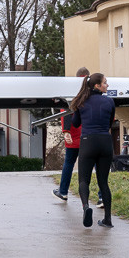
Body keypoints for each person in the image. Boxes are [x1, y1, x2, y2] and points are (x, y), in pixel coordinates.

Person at [70, 72, 116, 228]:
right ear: (97, 85)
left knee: (84, 180)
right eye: (105, 82)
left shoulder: (81, 102)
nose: (107, 85)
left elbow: (75, 123)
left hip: (88, 142)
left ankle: (86, 207)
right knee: (103, 182)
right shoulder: (109, 101)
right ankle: (107, 219)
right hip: (105, 142)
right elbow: (110, 123)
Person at [53, 67, 91, 202]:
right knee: (95, 164)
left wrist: (66, 131)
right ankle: (101, 197)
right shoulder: (91, 90)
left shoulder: (71, 90)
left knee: (69, 163)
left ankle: (63, 191)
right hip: (89, 134)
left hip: (74, 135)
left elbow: (67, 111)